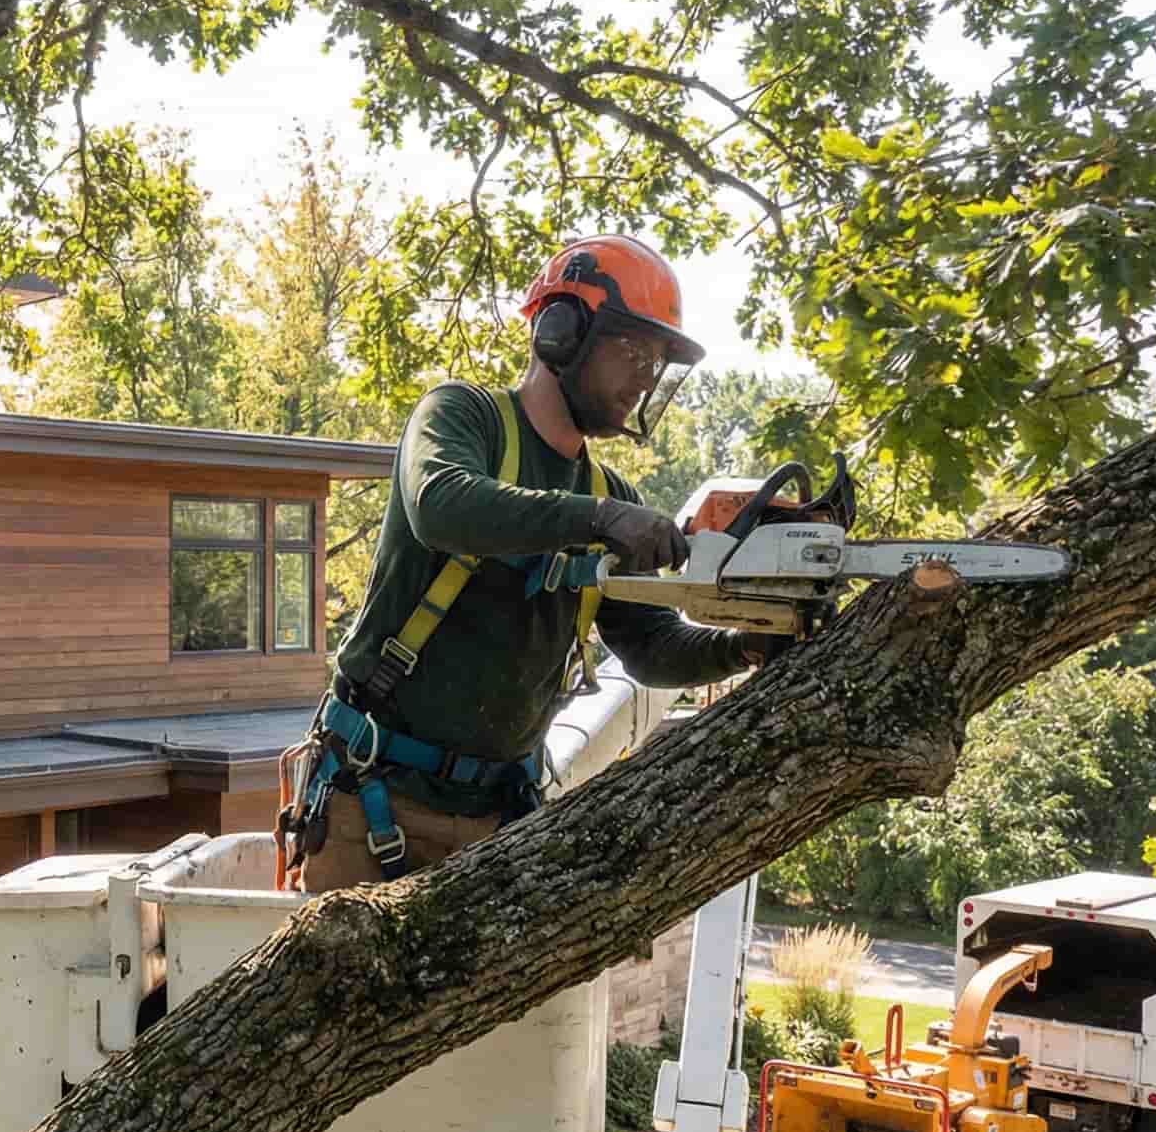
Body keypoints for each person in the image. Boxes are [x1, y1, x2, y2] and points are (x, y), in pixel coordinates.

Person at [287, 234, 785, 890]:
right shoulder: (464, 419)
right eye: (634, 352)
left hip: (499, 821)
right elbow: (441, 505)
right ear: (562, 331)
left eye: (657, 362)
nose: (645, 378)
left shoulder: (610, 492)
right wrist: (598, 521)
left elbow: (651, 648)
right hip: (372, 797)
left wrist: (743, 646)